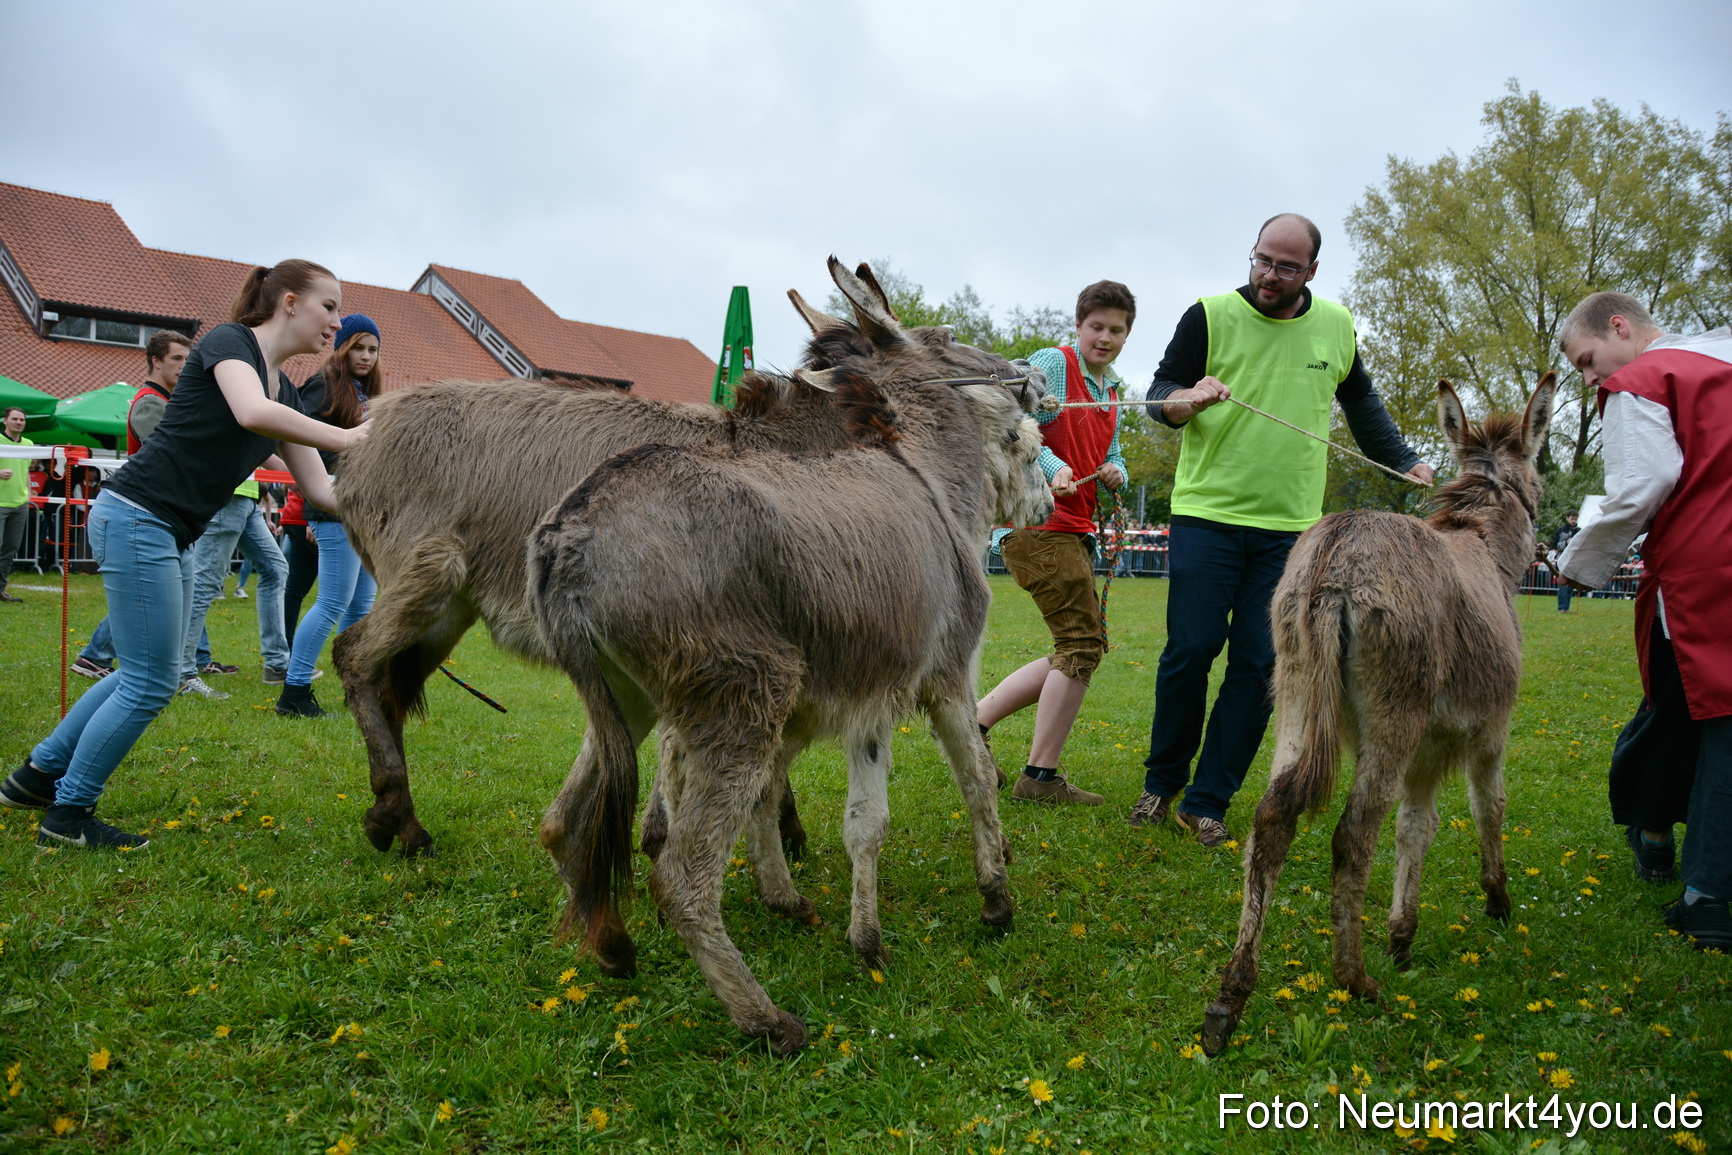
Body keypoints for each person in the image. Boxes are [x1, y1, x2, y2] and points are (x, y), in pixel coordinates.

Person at [0, 260, 367, 850]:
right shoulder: (230, 344)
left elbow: (320, 488)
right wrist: (349, 435)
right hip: (137, 515)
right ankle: (67, 817)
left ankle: (35, 778)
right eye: (330, 306)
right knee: (151, 682)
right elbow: (250, 413)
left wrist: (392, 511)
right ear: (291, 302)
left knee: (141, 673)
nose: (338, 321)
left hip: (164, 529)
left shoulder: (288, 392)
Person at [1130, 213, 1433, 846]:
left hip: (1292, 530)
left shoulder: (1337, 326)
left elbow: (1363, 405)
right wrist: (1184, 399)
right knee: (1191, 650)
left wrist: (1403, 459)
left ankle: (1207, 799)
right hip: (1206, 515)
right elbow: (1160, 394)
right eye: (1262, 260)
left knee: (1259, 664)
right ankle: (1161, 783)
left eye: (1286, 267)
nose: (1269, 275)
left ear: (1311, 272)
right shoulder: (1207, 316)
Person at [1555, 290, 1732, 951]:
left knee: (1684, 711)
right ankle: (1674, 852)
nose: (1592, 378)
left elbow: (1641, 484)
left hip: (1704, 573)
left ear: (1620, 327)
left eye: (1587, 360)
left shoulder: (1645, 379)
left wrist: (1577, 562)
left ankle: (1699, 886)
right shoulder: (1722, 355)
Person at [976, 281, 1134, 805]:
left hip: (1075, 531)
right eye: (1097, 326)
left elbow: (1114, 455)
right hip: (1039, 528)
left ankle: (975, 722)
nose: (1105, 337)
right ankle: (1039, 778)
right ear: (1079, 326)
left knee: (1077, 646)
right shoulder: (1055, 362)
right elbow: (1021, 425)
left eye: (1116, 329)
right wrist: (1055, 467)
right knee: (1082, 646)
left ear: (1127, 333)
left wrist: (1116, 472)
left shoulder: (1113, 392)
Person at [275, 313, 380, 718]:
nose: (367, 356)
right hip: (332, 509)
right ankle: (295, 691)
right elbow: (302, 447)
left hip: (360, 511)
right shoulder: (322, 387)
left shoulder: (363, 391)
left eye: (373, 349)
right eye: (359, 347)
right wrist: (317, 506)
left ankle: (353, 686)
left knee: (360, 606)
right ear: (343, 347)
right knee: (333, 602)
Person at [72, 331, 191, 679]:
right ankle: (99, 656)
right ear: (156, 361)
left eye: (188, 359)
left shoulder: (166, 400)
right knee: (149, 600)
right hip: (148, 513)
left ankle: (110, 659)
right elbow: (167, 454)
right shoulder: (150, 402)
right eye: (176, 359)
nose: (184, 367)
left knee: (165, 598)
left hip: (164, 515)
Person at [0, 406, 35, 603]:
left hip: (19, 504)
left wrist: (28, 493)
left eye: (22, 420)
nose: (19, 423)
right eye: (15, 419)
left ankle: (0, 590)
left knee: (10, 548)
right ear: (5, 421)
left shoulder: (28, 444)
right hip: (0, 503)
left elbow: (25, 471)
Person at [1551, 510, 1581, 611]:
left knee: (1570, 585)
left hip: (1574, 559)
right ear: (1567, 518)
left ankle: (1567, 607)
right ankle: (1562, 608)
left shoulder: (1579, 531)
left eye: (1575, 519)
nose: (1574, 521)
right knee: (1563, 584)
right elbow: (1554, 544)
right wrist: (1566, 543)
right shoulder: (1560, 530)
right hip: (1562, 559)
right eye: (1572, 518)